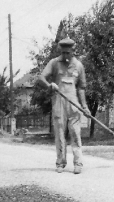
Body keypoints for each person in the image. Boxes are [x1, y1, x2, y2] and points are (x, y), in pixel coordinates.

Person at [38, 38, 90, 174]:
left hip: (74, 104)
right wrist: (50, 85)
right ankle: (60, 163)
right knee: (60, 134)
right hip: (59, 102)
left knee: (75, 133)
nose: (66, 55)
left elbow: (81, 88)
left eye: (68, 53)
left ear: (73, 51)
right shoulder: (54, 63)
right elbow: (41, 77)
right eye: (63, 53)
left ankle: (78, 163)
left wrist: (84, 106)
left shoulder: (79, 66)